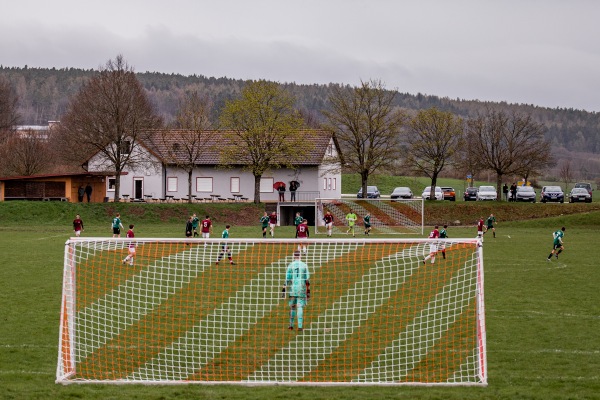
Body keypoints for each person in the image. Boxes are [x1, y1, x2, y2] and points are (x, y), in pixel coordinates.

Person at [282, 251, 310, 331]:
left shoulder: (291, 265)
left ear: (294, 256)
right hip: (301, 288)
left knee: (292, 307)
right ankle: (300, 326)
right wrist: (308, 291)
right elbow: (307, 279)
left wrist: (283, 289)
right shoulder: (304, 265)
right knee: (300, 306)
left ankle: (291, 325)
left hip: (293, 289)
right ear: (300, 256)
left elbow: (287, 278)